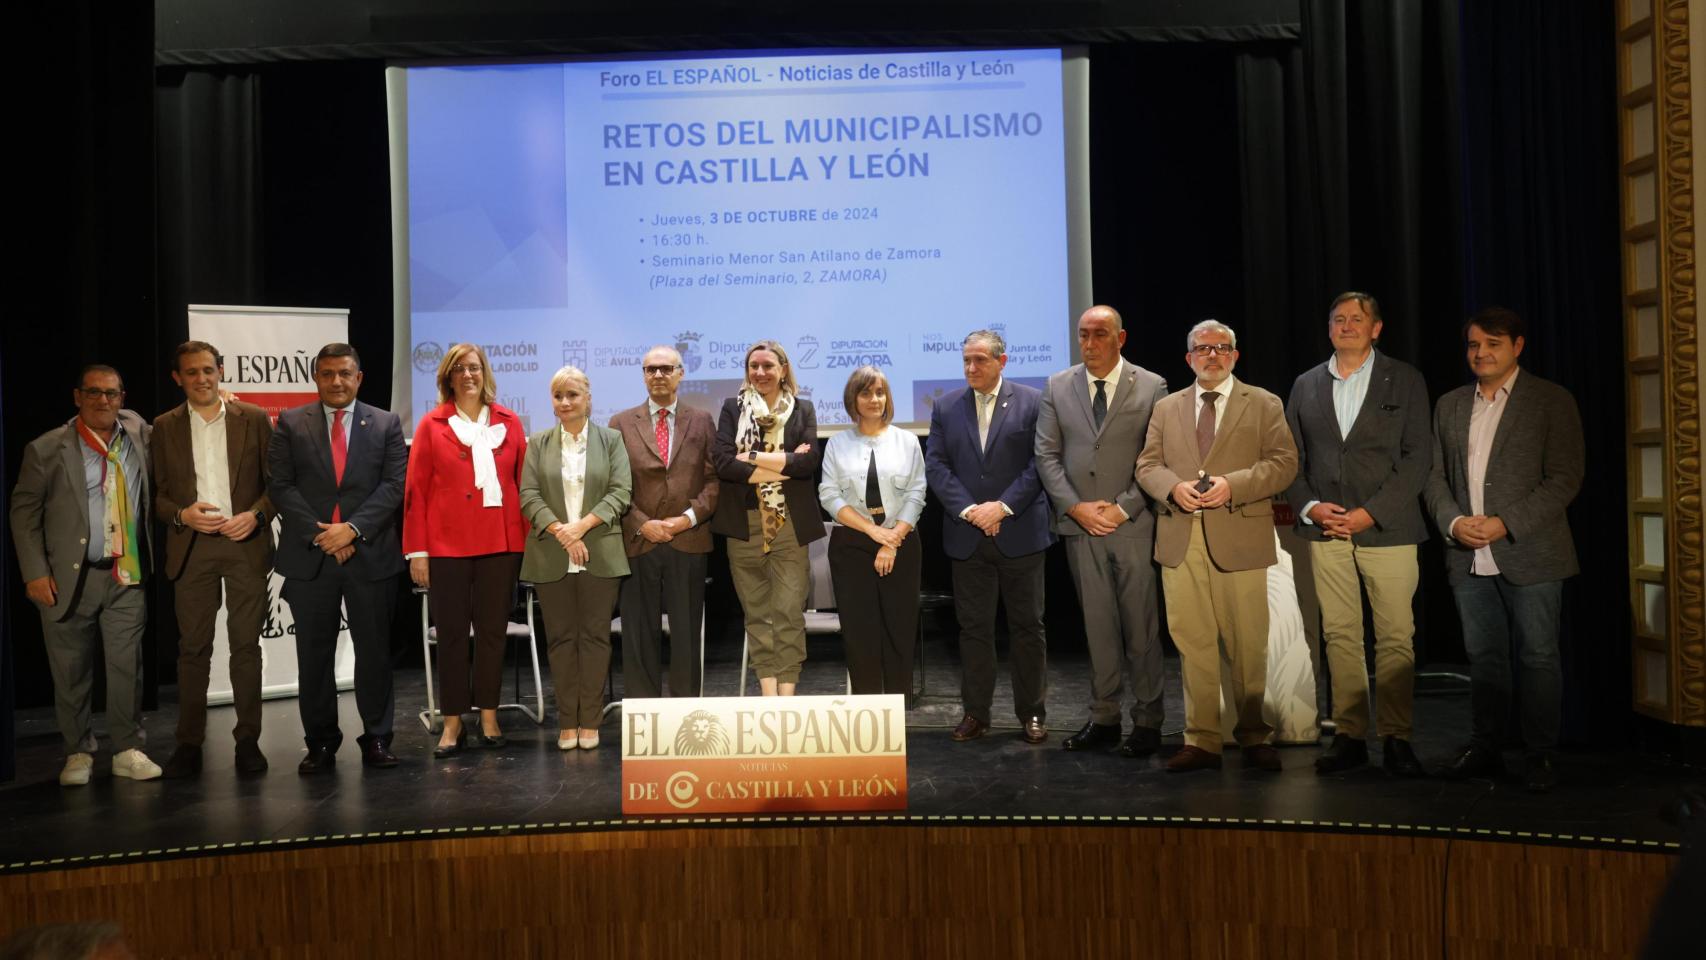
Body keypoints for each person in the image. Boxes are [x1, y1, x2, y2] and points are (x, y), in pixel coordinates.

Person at [1424, 307, 1584, 793]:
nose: (1481, 353)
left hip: (1531, 550)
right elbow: (1432, 476)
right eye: (1474, 345)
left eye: (1492, 344)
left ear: (1517, 346)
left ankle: (1540, 756)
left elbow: (1564, 479)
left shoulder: (1551, 400)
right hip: (1466, 553)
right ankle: (1486, 746)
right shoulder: (1450, 404)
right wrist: (1453, 522)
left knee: (1537, 656)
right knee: (1484, 655)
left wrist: (1504, 523)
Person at [1136, 319, 1298, 772]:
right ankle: (1202, 739)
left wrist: (1234, 484)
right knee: (1193, 642)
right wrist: (1172, 487)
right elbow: (1147, 463)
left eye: (1222, 347)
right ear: (1189, 358)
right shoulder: (1167, 408)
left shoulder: (1264, 403)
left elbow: (1285, 463)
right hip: (1181, 537)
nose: (1212, 354)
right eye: (1203, 348)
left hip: (1240, 537)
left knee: (1248, 643)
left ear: (1235, 356)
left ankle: (1253, 735)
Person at [1285, 293, 1431, 778]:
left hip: (1387, 529)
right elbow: (1292, 458)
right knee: (1340, 634)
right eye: (1338, 319)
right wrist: (1309, 506)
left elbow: (1417, 459)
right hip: (1326, 529)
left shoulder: (1405, 379)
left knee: (1395, 636)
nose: (1347, 326)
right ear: (1329, 329)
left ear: (1376, 328)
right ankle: (1349, 734)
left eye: (1356, 319)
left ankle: (1395, 738)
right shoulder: (1306, 384)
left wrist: (1370, 513)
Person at [10, 365, 160, 785]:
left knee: (127, 666)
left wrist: (226, 402)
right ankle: (77, 751)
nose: (103, 401)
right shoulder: (46, 449)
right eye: (93, 393)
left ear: (122, 398)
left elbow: (181, 428)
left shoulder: (136, 432)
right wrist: (34, 573)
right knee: (71, 669)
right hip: (68, 577)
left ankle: (128, 747)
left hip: (125, 572)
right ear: (77, 397)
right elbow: (23, 516)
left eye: (111, 394)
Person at [1035, 305, 1169, 757]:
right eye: (1082, 335)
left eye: (1099, 335)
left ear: (1120, 338)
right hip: (1081, 527)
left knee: (1141, 629)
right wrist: (1075, 508)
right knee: (1098, 627)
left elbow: (1157, 457)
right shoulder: (1057, 385)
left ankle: (1148, 721)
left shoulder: (1151, 386)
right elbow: (1047, 456)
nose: (1089, 344)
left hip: (1132, 525)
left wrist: (1122, 508)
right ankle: (1104, 717)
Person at [267, 343, 408, 773]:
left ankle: (377, 739)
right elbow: (281, 486)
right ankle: (321, 743)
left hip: (370, 556)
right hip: (312, 559)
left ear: (359, 377)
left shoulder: (385, 423)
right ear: (316, 377)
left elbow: (393, 486)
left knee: (375, 656)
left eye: (345, 373)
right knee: (314, 658)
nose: (336, 381)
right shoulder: (291, 422)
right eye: (327, 374)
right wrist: (323, 535)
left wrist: (352, 529)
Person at [151, 341, 275, 778]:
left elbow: (277, 484)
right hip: (192, 548)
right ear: (177, 377)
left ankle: (248, 742)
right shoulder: (163, 427)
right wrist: (182, 514)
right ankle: (189, 743)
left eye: (208, 370)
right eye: (191, 372)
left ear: (221, 370)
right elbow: (159, 497)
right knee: (193, 650)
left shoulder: (255, 419)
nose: (201, 379)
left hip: (244, 544)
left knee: (245, 646)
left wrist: (256, 516)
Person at [924, 329, 1054, 743]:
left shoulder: (1033, 402)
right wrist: (970, 511)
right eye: (966, 360)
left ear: (1002, 360)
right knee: (973, 630)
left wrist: (1001, 507)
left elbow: (1040, 464)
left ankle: (1032, 713)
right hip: (968, 537)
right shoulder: (946, 407)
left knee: (1027, 628)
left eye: (979, 360)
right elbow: (937, 467)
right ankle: (976, 713)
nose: (970, 368)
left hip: (1020, 531)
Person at [403, 342, 529, 758]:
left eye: (475, 368)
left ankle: (489, 715)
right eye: (460, 369)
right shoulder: (430, 424)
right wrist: (417, 551)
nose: (468, 375)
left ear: (485, 373)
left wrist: (528, 545)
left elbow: (525, 488)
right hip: (446, 546)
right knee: (453, 636)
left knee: (493, 633)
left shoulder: (510, 423)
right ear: (448, 377)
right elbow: (415, 493)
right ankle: (453, 721)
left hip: (501, 543)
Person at [520, 365, 632, 749]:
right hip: (552, 553)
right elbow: (529, 495)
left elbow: (621, 491)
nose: (565, 403)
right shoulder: (538, 442)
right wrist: (562, 533)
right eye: (558, 396)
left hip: (599, 549)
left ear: (588, 398)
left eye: (573, 395)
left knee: (596, 638)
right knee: (561, 640)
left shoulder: (611, 439)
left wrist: (580, 528)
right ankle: (568, 720)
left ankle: (592, 721)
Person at [711, 339, 823, 696]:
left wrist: (752, 458)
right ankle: (768, 695)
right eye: (753, 366)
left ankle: (786, 698)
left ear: (783, 369)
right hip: (744, 523)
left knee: (789, 611)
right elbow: (724, 463)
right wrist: (783, 462)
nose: (760, 372)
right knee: (757, 613)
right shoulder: (732, 408)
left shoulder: (803, 409)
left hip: (790, 522)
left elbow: (808, 463)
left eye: (768, 366)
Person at [609, 345, 718, 699]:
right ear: (643, 375)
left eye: (666, 369)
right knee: (639, 634)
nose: (658, 375)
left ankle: (685, 714)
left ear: (680, 373)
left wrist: (686, 520)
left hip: (688, 539)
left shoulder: (702, 420)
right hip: (639, 541)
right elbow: (614, 485)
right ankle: (645, 716)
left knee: (686, 633)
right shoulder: (621, 423)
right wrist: (642, 523)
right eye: (650, 369)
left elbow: (714, 481)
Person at [818, 366, 926, 695]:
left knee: (899, 628)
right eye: (866, 393)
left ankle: (896, 711)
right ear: (854, 399)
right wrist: (874, 532)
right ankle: (867, 710)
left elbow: (917, 492)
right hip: (851, 545)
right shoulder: (837, 444)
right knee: (859, 630)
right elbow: (829, 495)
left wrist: (892, 539)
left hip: (902, 542)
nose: (874, 399)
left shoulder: (907, 441)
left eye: (880, 392)